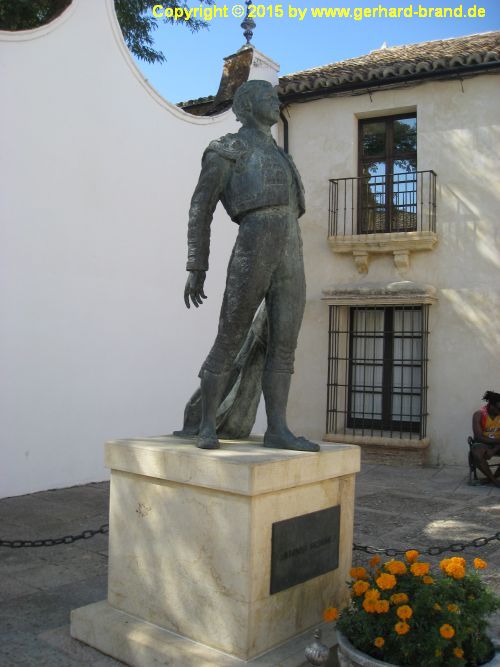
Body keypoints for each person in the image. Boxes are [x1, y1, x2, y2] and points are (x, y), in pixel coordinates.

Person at [183, 79, 319, 453]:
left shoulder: (281, 154)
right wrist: (198, 264)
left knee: (284, 343)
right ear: (245, 105)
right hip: (255, 239)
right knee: (231, 336)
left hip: (291, 243)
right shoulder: (226, 150)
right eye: (266, 97)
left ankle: (277, 428)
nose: (275, 102)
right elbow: (200, 208)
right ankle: (206, 423)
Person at [471, 390, 500, 486]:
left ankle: (493, 478)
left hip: (498, 444)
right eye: (498, 409)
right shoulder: (479, 414)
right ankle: (494, 481)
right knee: (476, 452)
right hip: (484, 443)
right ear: (491, 405)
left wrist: (494, 449)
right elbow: (478, 437)